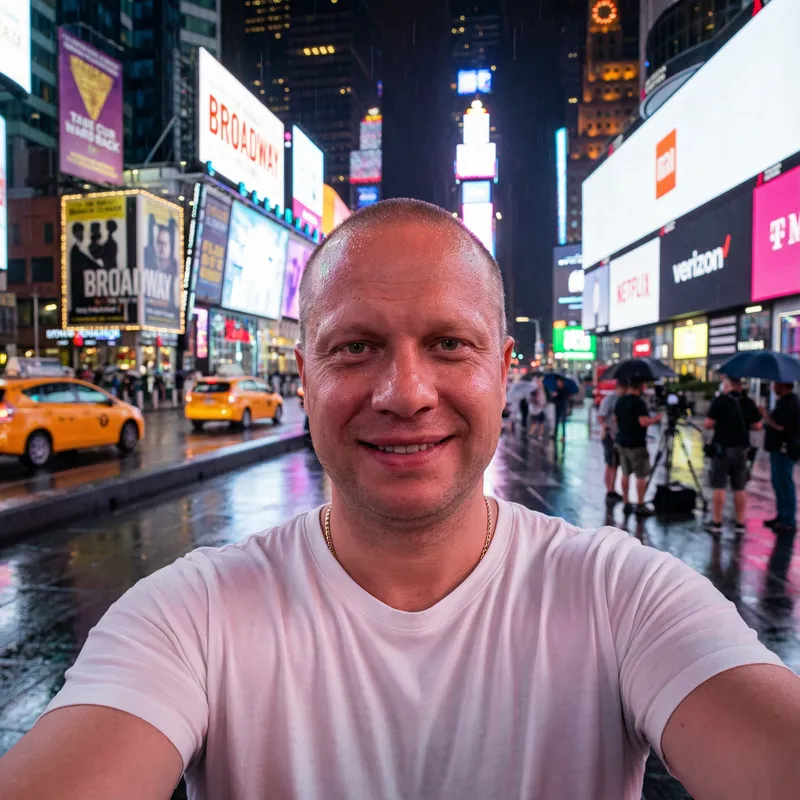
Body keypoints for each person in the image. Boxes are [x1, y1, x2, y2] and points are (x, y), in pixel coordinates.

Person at [3, 199, 800, 800]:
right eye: (356, 348)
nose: (406, 394)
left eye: (450, 344)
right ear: (305, 377)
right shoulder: (186, 616)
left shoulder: (625, 595)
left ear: (504, 367)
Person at [703, 375, 762, 537]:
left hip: (722, 450)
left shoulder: (720, 401)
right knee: (740, 488)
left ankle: (717, 523)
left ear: (728, 384)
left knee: (719, 486)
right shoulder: (749, 402)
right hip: (742, 451)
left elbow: (708, 423)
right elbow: (757, 425)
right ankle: (740, 523)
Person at [614, 378, 663, 516]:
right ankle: (640, 504)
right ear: (640, 386)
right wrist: (655, 419)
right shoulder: (638, 402)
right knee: (641, 475)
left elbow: (615, 419)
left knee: (625, 473)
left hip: (622, 441)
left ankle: (626, 502)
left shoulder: (620, 400)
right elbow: (642, 421)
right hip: (636, 443)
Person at [761, 381, 800, 535]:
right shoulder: (785, 401)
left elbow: (781, 426)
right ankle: (782, 516)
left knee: (785, 483)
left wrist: (766, 417)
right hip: (779, 448)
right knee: (779, 483)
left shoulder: (790, 402)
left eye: (775, 384)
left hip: (784, 449)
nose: (773, 387)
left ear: (783, 386)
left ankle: (788, 520)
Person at [597, 379, 627, 504]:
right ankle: (609, 490)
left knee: (615, 464)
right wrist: (605, 427)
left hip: (618, 436)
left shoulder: (623, 400)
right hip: (610, 435)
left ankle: (612, 490)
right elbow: (601, 416)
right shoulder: (610, 399)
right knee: (611, 463)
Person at [550, 377, 569, 441]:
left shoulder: (565, 389)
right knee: (556, 421)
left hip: (563, 407)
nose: (558, 383)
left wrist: (558, 395)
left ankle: (563, 436)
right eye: (557, 382)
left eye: (559, 382)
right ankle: (555, 434)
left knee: (563, 422)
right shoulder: (556, 389)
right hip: (557, 407)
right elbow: (552, 400)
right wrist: (554, 396)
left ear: (562, 382)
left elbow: (565, 398)